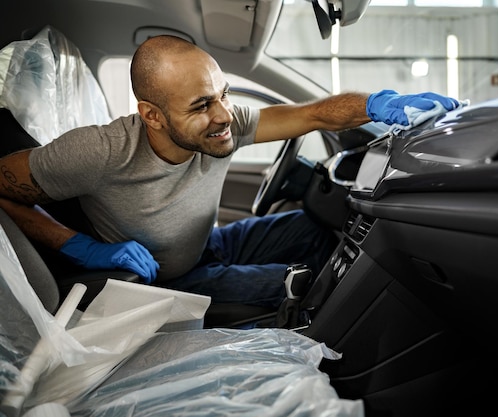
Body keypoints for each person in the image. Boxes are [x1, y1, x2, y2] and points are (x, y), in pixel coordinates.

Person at [0, 35, 461, 308]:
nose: (224, 115)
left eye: (223, 94)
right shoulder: (98, 152)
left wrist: (377, 104)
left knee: (318, 226)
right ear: (152, 115)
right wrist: (81, 248)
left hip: (211, 244)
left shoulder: (225, 122)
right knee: (311, 285)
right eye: (202, 105)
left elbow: (313, 114)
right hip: (166, 280)